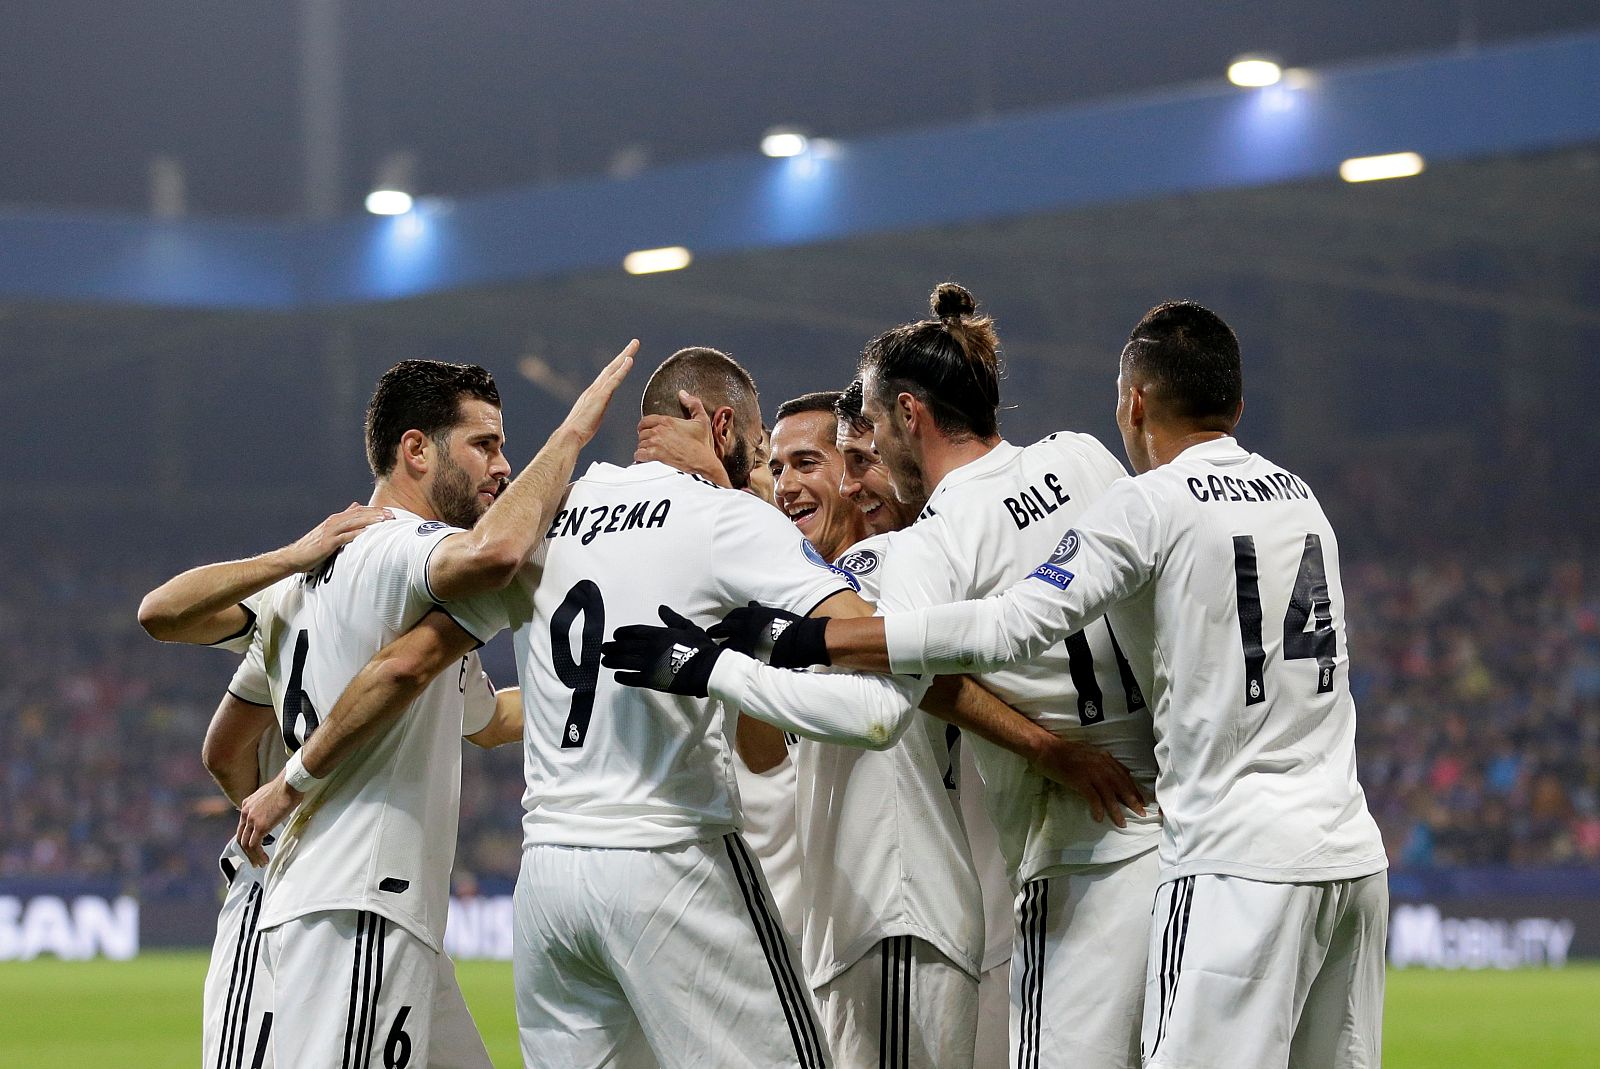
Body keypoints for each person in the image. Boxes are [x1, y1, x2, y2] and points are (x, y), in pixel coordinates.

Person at [745, 302, 1391, 1069]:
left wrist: (771, 650)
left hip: (1103, 850)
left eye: (872, 435)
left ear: (909, 416)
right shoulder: (1096, 462)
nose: (866, 465)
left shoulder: (935, 543)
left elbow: (934, 670)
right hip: (1265, 834)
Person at [605, 284, 1154, 1069]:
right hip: (1165, 825)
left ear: (907, 416)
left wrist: (723, 645)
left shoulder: (920, 551)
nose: (792, 483)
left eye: (850, 448)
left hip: (1015, 870)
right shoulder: (1081, 455)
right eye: (774, 466)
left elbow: (893, 682)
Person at [154, 347, 635, 1068]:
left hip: (339, 900)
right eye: (484, 445)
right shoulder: (401, 547)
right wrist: (570, 437)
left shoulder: (308, 585)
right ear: (416, 450)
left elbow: (486, 722)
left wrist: (611, 687)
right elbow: (495, 554)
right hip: (361, 901)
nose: (502, 466)